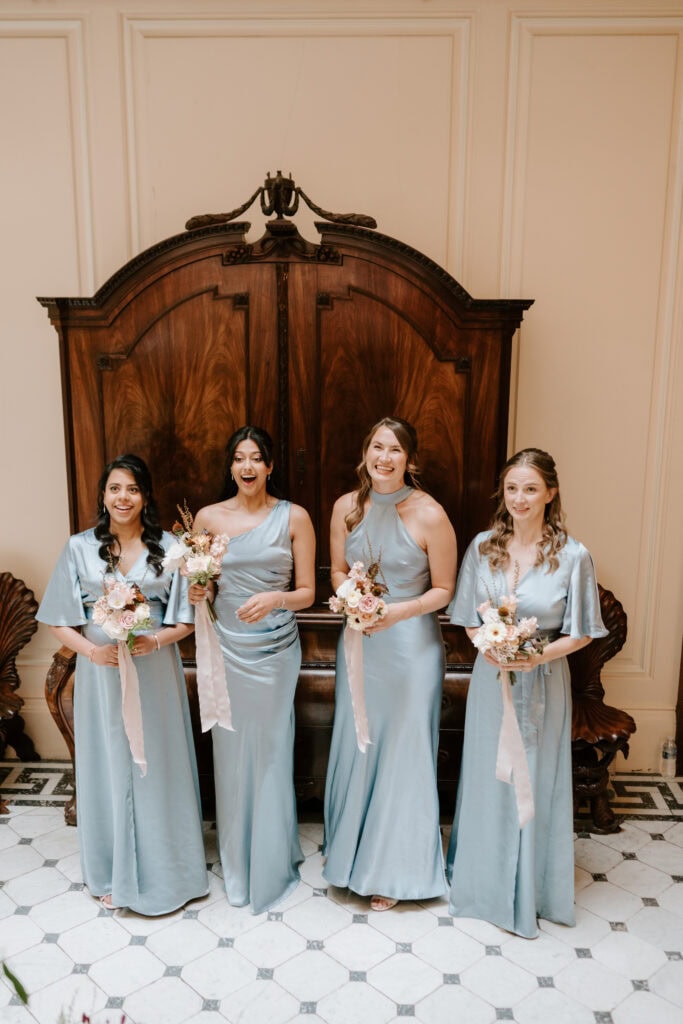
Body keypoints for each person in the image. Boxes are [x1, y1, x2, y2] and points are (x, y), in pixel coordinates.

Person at [36, 454, 208, 915]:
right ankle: (113, 868)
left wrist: (154, 640)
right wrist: (92, 652)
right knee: (110, 764)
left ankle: (170, 867)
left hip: (153, 671)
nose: (123, 497)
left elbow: (185, 620)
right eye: (115, 488)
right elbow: (57, 618)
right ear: (103, 495)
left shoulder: (170, 548)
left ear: (146, 496)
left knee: (158, 761)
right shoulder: (79, 548)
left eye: (132, 489)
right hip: (101, 673)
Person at [447, 447, 607, 938]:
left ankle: (530, 888)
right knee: (488, 775)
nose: (519, 498)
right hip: (490, 679)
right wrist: (490, 646)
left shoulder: (574, 556)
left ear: (550, 494)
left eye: (531, 489)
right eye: (512, 488)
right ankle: (483, 882)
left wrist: (534, 657)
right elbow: (469, 618)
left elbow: (580, 633)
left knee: (533, 777)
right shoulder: (482, 546)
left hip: (542, 680)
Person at [323, 416, 457, 911]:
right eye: (377, 447)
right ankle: (350, 860)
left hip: (410, 650)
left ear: (410, 459)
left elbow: (445, 589)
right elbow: (336, 570)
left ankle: (396, 872)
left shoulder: (430, 514)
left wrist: (393, 610)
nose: (384, 457)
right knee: (358, 745)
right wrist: (352, 599)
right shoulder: (345, 507)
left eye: (395, 450)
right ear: (365, 453)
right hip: (360, 645)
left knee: (403, 752)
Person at [188, 426, 316, 914]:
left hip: (276, 647)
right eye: (239, 457)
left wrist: (275, 598)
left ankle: (271, 857)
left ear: (269, 466)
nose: (247, 466)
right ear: (231, 466)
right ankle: (237, 855)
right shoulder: (206, 518)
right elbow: (206, 586)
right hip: (224, 645)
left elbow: (306, 590)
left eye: (256, 458)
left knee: (269, 748)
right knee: (230, 746)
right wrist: (202, 593)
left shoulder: (294, 517)